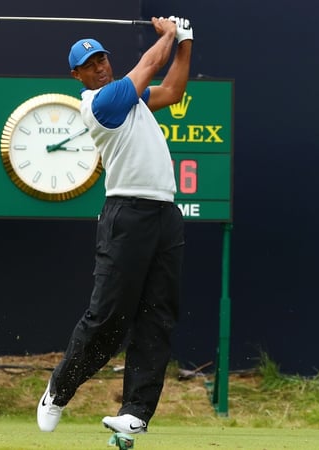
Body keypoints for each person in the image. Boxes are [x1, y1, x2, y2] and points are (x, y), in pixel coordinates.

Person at [36, 16, 193, 434]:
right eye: (90, 64)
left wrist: (186, 43)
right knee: (108, 317)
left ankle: (136, 412)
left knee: (157, 316)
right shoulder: (100, 104)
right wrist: (170, 35)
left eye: (102, 58)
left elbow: (175, 90)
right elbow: (147, 67)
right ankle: (59, 388)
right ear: (78, 75)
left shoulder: (136, 100)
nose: (100, 66)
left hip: (165, 215)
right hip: (127, 214)